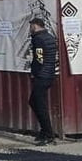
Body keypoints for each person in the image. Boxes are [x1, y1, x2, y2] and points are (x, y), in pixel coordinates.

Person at [27, 16, 59, 145]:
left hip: (41, 75)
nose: (30, 29)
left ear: (35, 26)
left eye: (31, 27)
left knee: (39, 105)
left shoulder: (38, 39)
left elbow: (39, 58)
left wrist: (35, 72)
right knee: (35, 102)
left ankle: (48, 134)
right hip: (49, 74)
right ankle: (44, 131)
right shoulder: (50, 37)